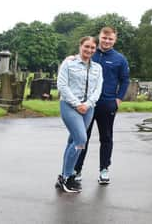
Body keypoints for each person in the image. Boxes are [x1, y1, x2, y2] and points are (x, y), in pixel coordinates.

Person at [74, 26, 130, 185]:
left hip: (107, 104)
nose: (106, 41)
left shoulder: (120, 59)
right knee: (82, 137)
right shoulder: (91, 53)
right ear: (100, 37)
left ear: (114, 40)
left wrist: (118, 99)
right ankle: (77, 170)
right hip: (87, 104)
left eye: (110, 39)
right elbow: (76, 60)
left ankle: (104, 170)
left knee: (106, 138)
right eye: (104, 38)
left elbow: (125, 80)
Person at [55, 36, 103, 193]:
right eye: (86, 46)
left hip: (88, 108)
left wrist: (87, 105)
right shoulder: (68, 63)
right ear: (80, 46)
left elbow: (98, 89)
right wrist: (77, 104)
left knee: (74, 141)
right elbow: (62, 85)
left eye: (92, 48)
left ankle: (64, 177)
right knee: (81, 139)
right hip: (69, 105)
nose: (89, 50)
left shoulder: (97, 68)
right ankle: (68, 176)